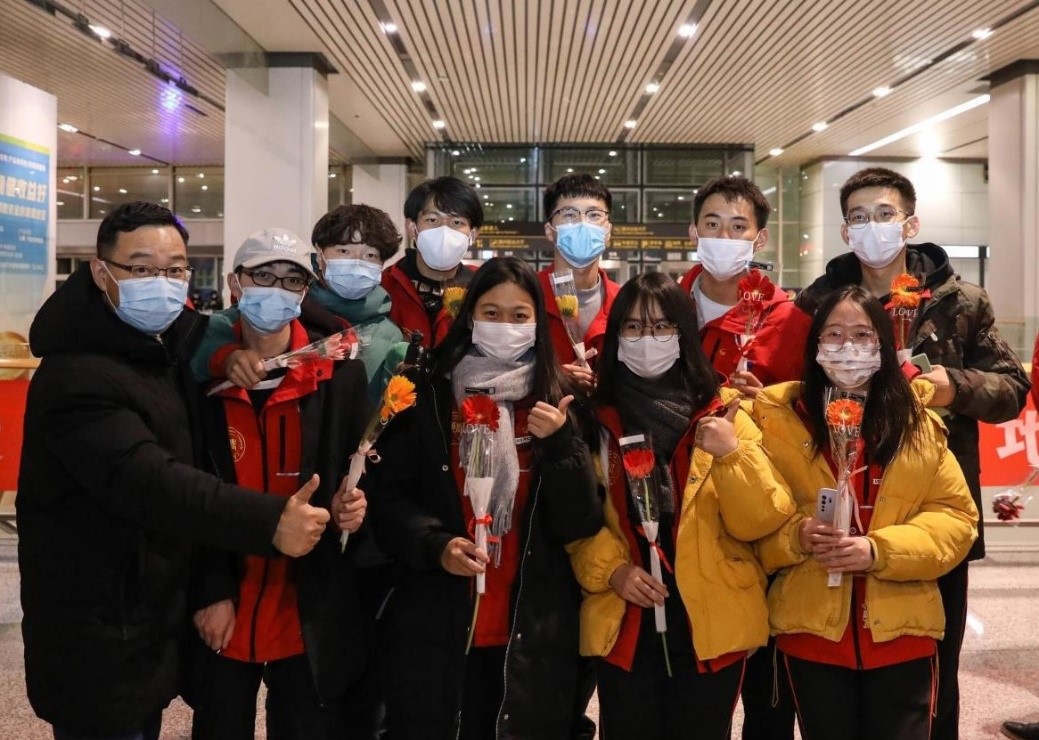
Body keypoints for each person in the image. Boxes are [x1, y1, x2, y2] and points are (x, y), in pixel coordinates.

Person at [16, 202, 331, 740]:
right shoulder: (78, 375)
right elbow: (150, 480)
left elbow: (210, 337)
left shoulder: (154, 348)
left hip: (146, 619)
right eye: (141, 268)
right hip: (96, 628)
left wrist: (225, 353)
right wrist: (270, 519)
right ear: (101, 272)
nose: (159, 284)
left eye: (174, 270)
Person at [795, 167, 1029, 739]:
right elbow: (797, 387)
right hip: (841, 508)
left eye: (884, 214)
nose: (871, 226)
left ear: (910, 223)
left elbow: (1012, 390)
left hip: (931, 508)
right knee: (832, 656)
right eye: (858, 217)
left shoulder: (958, 301)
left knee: (933, 667)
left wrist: (956, 387)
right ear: (845, 230)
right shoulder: (819, 302)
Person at [365, 257, 602, 739]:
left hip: (530, 630)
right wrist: (435, 545)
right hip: (438, 624)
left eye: (519, 316)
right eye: (491, 313)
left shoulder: (559, 399)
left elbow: (581, 522)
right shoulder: (428, 391)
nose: (505, 326)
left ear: (537, 323)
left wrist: (562, 445)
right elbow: (390, 497)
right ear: (470, 315)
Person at [568, 272, 796, 740]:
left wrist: (732, 455)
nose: (646, 339)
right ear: (616, 338)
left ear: (684, 333)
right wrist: (612, 571)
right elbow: (576, 520)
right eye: (633, 327)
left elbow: (764, 519)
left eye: (661, 327)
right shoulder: (593, 418)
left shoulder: (726, 410)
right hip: (627, 615)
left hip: (709, 620)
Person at [754, 285, 978, 740]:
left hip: (902, 632)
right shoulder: (777, 423)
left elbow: (956, 518)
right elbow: (751, 522)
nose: (848, 347)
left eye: (862, 335)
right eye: (834, 334)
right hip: (811, 631)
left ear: (883, 345)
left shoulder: (918, 423)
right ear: (815, 344)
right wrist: (797, 536)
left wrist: (879, 551)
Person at [186, 229, 370, 739]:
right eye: (262, 276)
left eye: (291, 280)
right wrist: (211, 590)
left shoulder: (338, 375)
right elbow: (189, 494)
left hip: (306, 602)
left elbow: (358, 468)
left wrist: (354, 506)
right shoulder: (200, 379)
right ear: (235, 283)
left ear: (306, 292)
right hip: (228, 597)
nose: (276, 289)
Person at [195, 204, 405, 403]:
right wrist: (226, 356)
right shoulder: (285, 311)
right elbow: (204, 333)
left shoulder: (389, 334)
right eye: (344, 251)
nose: (357, 263)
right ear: (320, 255)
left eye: (371, 255)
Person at [679, 176, 811, 399]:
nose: (723, 237)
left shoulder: (788, 323)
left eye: (738, 227)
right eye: (712, 225)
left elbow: (805, 406)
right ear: (694, 233)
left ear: (760, 239)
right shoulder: (663, 308)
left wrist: (768, 404)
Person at [539, 173, 621, 392]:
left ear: (608, 231)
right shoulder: (526, 295)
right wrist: (554, 379)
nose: (583, 223)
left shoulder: (625, 302)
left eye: (594, 215)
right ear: (549, 231)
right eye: (569, 214)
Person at [382, 175, 482, 347]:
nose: (444, 230)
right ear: (412, 227)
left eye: (456, 222)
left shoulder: (481, 286)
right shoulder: (385, 286)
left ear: (473, 234)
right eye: (432, 220)